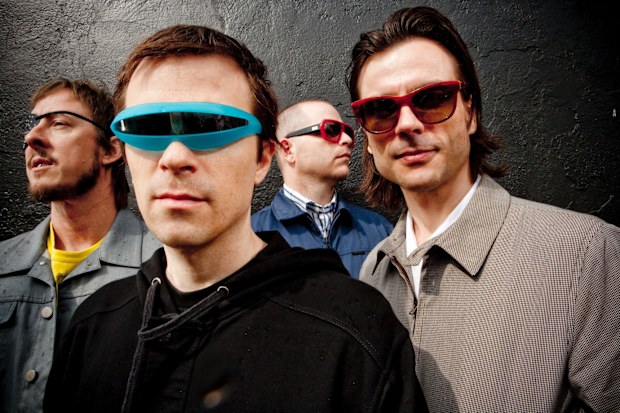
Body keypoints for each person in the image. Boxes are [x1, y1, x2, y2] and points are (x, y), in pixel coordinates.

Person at [43, 25, 427, 413]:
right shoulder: (91, 328)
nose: (174, 156)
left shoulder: (357, 334)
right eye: (147, 128)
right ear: (124, 151)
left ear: (262, 158)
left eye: (211, 127)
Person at [348, 6, 620, 413]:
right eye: (381, 109)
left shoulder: (585, 254)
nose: (406, 124)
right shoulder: (374, 270)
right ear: (367, 139)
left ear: (470, 112)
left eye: (432, 98)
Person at [0, 78, 160, 413]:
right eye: (30, 126)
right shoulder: (3, 266)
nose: (31, 138)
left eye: (59, 123)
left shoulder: (163, 268)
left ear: (111, 150)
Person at [251, 100, 393, 278]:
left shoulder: (380, 230)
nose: (348, 140)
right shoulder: (252, 235)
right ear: (288, 150)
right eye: (331, 130)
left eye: (347, 131)